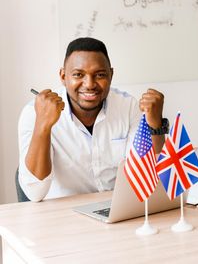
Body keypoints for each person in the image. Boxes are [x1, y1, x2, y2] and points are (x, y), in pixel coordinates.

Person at [18, 37, 168, 202]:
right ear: (63, 76)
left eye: (100, 75)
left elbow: (149, 180)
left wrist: (155, 125)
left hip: (116, 209)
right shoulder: (34, 112)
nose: (89, 84)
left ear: (111, 75)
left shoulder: (128, 107)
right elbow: (34, 193)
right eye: (78, 74)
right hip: (62, 214)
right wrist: (43, 125)